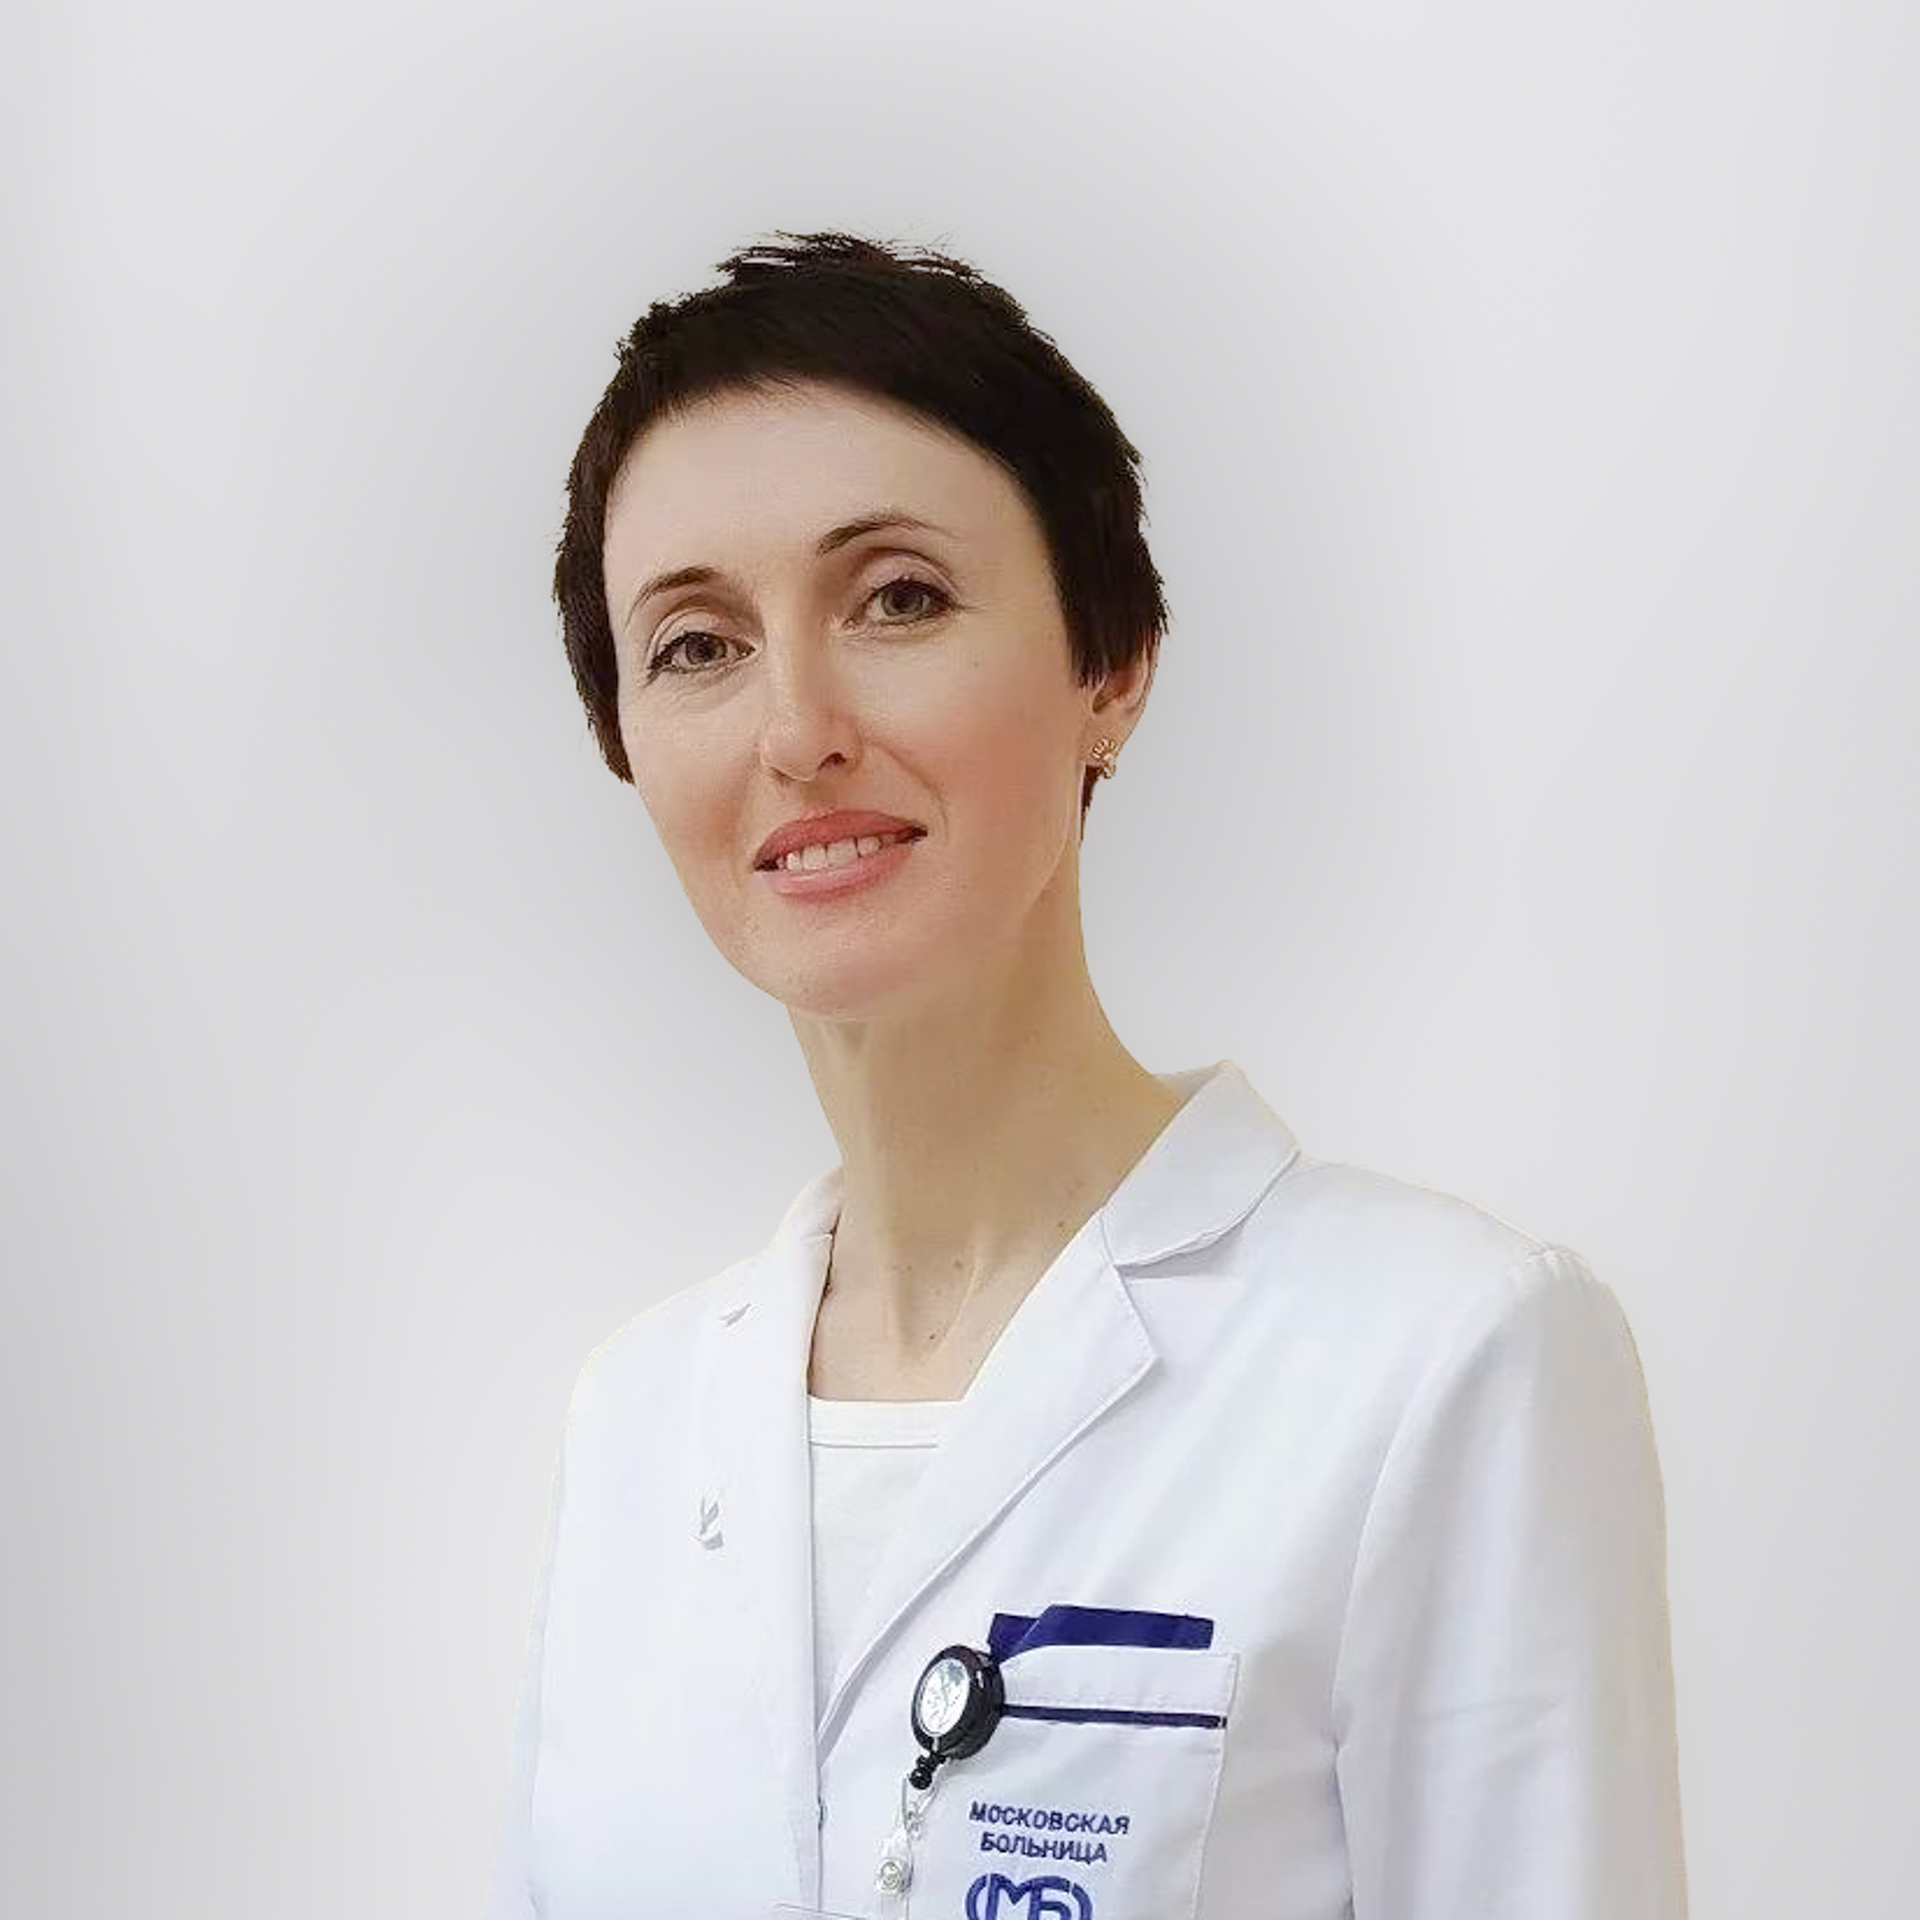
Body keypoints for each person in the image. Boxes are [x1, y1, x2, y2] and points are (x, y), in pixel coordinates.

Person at [482, 230, 1688, 1919]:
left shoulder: (1440, 1361)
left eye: (898, 598)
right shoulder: (636, 1418)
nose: (796, 729)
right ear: (624, 738)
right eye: (695, 644)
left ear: (1109, 667)